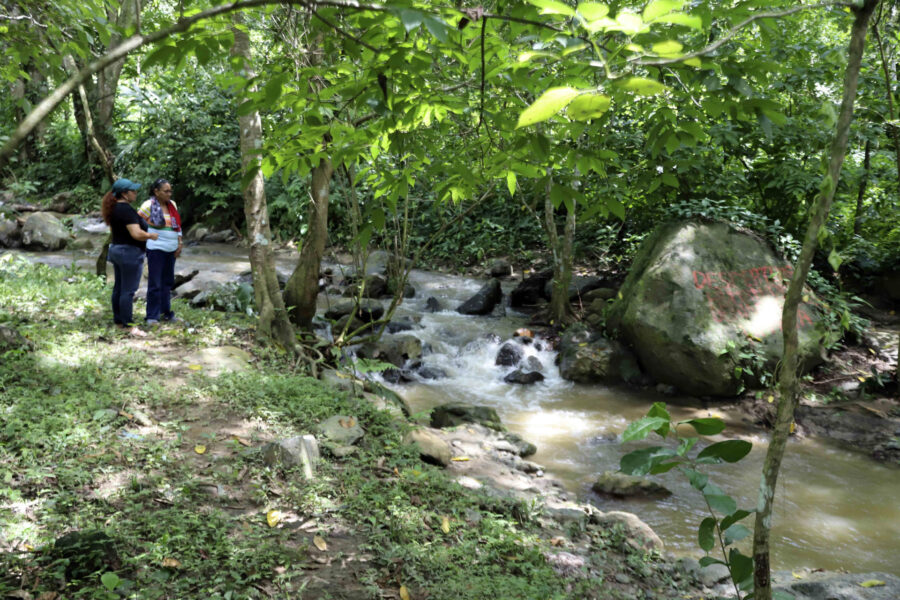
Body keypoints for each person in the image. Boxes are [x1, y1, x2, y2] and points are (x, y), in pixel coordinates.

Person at [101, 178, 158, 337]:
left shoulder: (114, 209)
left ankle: (118, 320)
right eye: (133, 191)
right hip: (129, 253)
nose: (136, 193)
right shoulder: (126, 210)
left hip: (117, 250)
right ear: (125, 194)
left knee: (119, 287)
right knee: (128, 290)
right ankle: (128, 325)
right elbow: (136, 234)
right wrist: (152, 236)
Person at [137, 178, 183, 324]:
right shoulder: (148, 205)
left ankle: (167, 313)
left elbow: (177, 226)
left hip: (171, 249)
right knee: (155, 283)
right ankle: (152, 316)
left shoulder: (172, 205)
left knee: (167, 282)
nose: (169, 194)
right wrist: (147, 234)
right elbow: (136, 222)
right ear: (156, 192)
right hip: (155, 249)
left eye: (170, 191)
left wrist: (179, 243)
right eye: (166, 191)